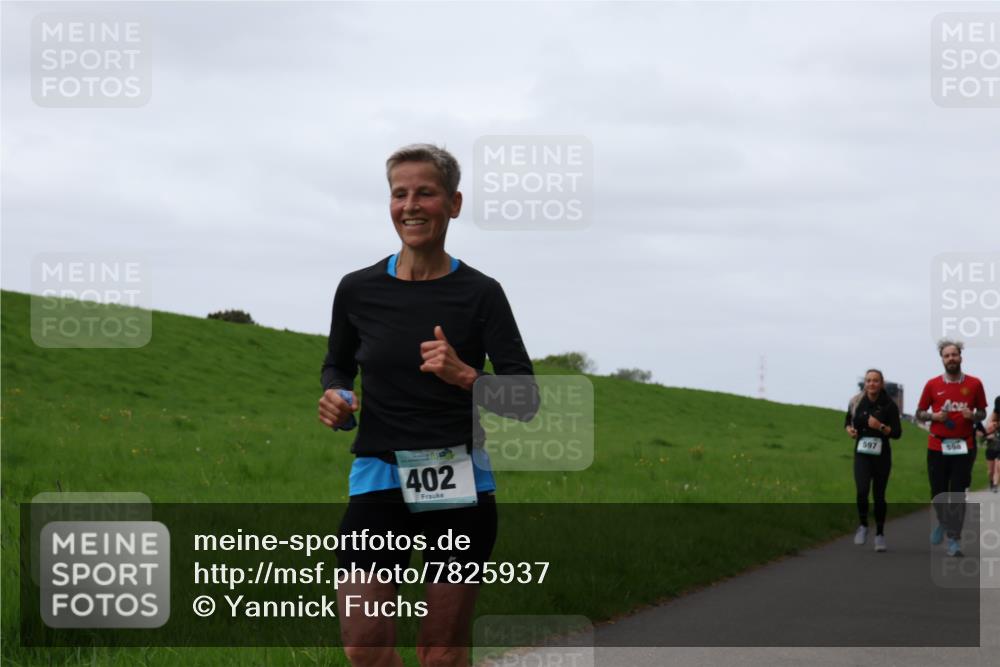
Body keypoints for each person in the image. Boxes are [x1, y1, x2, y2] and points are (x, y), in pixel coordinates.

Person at [317, 144, 537, 667]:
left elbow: (524, 398)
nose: (411, 205)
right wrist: (338, 397)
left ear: (454, 204)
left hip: (458, 483)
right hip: (378, 477)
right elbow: (337, 365)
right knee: (364, 646)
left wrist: (465, 375)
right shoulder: (357, 289)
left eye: (426, 193)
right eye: (400, 193)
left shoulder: (481, 294)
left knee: (439, 652)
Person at [915, 339, 988, 557]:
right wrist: (934, 416)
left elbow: (983, 413)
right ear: (942, 359)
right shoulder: (932, 385)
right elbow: (919, 412)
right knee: (938, 493)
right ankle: (944, 522)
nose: (951, 359)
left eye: (954, 355)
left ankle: (954, 540)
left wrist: (973, 415)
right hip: (937, 445)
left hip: (963, 446)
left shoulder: (974, 384)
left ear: (961, 357)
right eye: (947, 356)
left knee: (957, 494)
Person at [844, 369, 901, 552]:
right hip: (862, 453)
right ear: (865, 383)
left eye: (875, 381)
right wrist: (850, 431)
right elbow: (847, 421)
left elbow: (897, 433)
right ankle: (863, 525)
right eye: (868, 380)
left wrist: (881, 427)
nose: (871, 384)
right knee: (861, 491)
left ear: (881, 383)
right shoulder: (856, 401)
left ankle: (880, 534)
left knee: (879, 496)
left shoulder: (889, 405)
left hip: (882, 456)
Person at [984, 396, 1000, 493]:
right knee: (990, 471)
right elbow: (987, 428)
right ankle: (991, 481)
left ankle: (995, 484)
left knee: (998, 465)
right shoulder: (993, 415)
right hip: (991, 446)